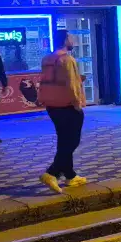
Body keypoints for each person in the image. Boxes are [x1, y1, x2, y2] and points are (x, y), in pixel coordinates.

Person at [38, 30, 88, 193]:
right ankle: (51, 173)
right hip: (67, 105)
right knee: (72, 141)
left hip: (52, 105)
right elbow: (72, 84)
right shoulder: (67, 59)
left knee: (63, 140)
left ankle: (70, 175)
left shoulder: (47, 59)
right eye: (71, 38)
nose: (73, 41)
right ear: (65, 40)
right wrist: (77, 103)